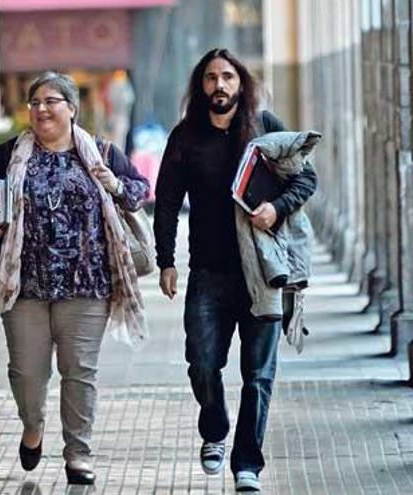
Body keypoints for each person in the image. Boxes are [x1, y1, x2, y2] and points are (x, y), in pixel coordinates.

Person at [0, 72, 149, 485]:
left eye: (51, 101)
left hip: (88, 286)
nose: (42, 109)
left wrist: (116, 184)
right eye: (35, 102)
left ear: (71, 108)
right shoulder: (10, 153)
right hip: (24, 286)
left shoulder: (100, 151)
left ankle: (78, 452)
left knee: (79, 371)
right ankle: (33, 426)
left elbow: (139, 191)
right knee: (26, 374)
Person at [153, 48, 317, 492]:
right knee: (202, 364)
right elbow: (166, 200)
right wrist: (165, 260)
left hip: (262, 273)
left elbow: (306, 178)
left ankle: (247, 463)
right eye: (210, 78)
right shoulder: (186, 136)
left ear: (240, 84)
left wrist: (275, 209)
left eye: (227, 77)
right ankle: (214, 428)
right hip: (208, 272)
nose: (219, 85)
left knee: (258, 375)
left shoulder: (265, 128)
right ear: (200, 86)